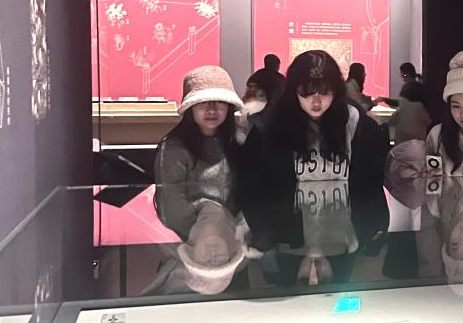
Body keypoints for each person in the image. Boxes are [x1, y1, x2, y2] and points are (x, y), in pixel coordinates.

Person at [239, 50, 385, 285]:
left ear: (335, 91)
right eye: (307, 92)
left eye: (324, 92)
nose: (316, 102)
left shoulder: (357, 125)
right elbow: (252, 184)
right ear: (294, 90)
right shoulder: (271, 126)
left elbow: (372, 181)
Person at [149, 65, 247, 295]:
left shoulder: (240, 141)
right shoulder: (174, 148)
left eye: (219, 103)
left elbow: (252, 189)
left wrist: (236, 227)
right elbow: (170, 203)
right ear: (191, 107)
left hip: (232, 237)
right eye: (204, 103)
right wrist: (203, 234)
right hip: (188, 237)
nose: (212, 109)